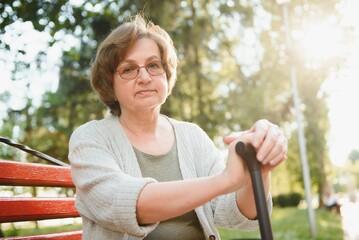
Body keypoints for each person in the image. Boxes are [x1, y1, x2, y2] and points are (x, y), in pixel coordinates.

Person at [68, 14, 288, 240]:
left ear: (166, 74)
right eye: (129, 69)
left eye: (153, 65)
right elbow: (126, 206)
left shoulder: (192, 136)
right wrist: (225, 180)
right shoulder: (90, 138)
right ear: (109, 83)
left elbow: (234, 214)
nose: (144, 77)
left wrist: (258, 171)